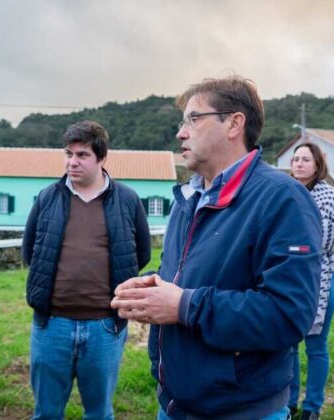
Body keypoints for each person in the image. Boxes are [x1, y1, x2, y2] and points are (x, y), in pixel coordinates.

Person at [111, 76, 322, 419]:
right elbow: (186, 276)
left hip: (240, 409)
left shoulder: (283, 198)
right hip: (175, 403)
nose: (181, 132)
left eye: (193, 119)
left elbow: (289, 315)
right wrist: (152, 287)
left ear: (234, 123)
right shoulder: (188, 199)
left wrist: (183, 305)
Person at [23, 120, 151, 419]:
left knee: (99, 413)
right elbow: (31, 251)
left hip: (104, 327)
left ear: (102, 158)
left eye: (82, 155)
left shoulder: (128, 199)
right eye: (68, 154)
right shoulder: (47, 197)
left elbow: (140, 253)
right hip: (51, 325)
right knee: (46, 413)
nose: (72, 162)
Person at [288, 143, 334, 420]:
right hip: (288, 279)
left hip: (320, 278)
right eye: (296, 158)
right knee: (288, 343)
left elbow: (324, 242)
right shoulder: (285, 190)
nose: (299, 164)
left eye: (305, 159)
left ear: (317, 164)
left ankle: (312, 407)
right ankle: (289, 401)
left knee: (316, 347)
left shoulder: (329, 195)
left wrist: (293, 244)